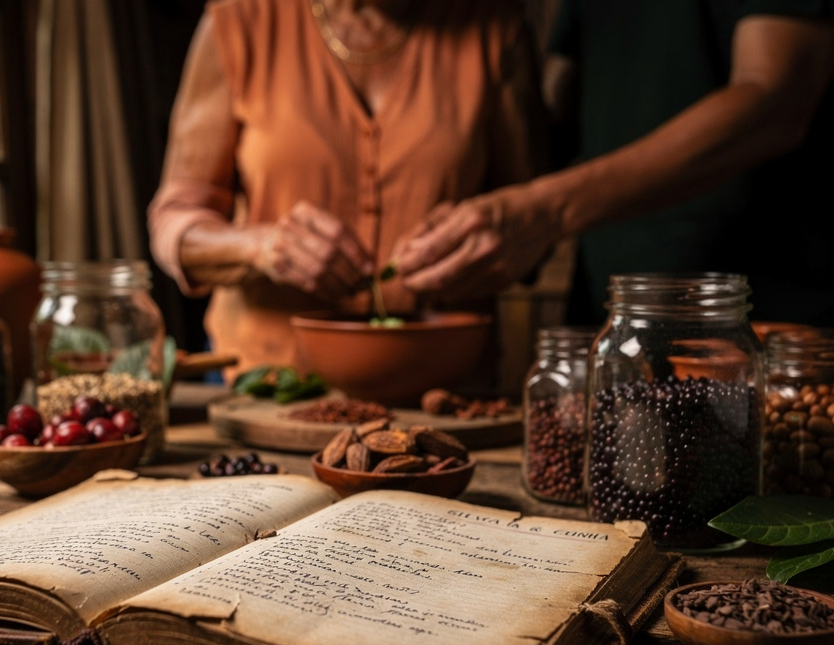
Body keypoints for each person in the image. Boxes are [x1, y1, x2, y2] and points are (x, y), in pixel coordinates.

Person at [389, 1, 834, 329]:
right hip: (612, 323)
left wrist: (546, 212)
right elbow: (557, 108)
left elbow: (773, 102)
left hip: (764, 327)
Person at [147, 0, 548, 380]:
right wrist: (262, 246)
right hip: (269, 382)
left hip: (445, 386)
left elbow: (532, 232)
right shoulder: (239, 21)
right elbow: (174, 223)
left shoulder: (495, 26)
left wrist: (483, 241)